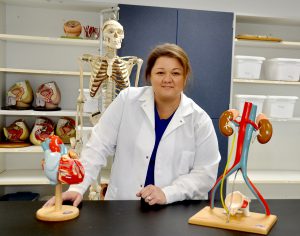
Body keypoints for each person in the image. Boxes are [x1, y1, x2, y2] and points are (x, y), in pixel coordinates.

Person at [44, 43, 221, 207]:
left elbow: (205, 174)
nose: (168, 79)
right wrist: (77, 188)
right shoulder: (127, 100)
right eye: (160, 72)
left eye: (175, 73)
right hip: (124, 205)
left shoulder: (199, 120)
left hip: (173, 207)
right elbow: (98, 145)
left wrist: (168, 193)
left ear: (185, 77)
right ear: (149, 75)